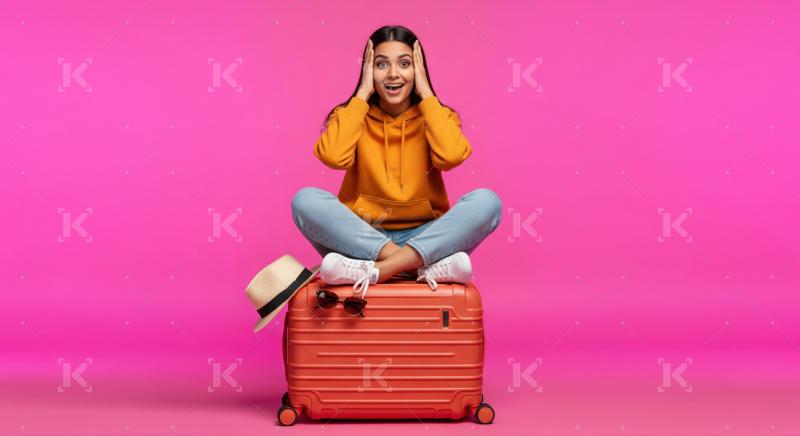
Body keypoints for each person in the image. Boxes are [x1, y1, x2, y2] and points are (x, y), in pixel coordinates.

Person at [291, 25, 501, 296]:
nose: (393, 74)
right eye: (381, 64)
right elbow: (333, 157)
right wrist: (361, 95)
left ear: (419, 69)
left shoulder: (438, 115)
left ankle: (379, 270)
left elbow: (451, 156)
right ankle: (415, 266)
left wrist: (427, 95)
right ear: (368, 70)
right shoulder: (350, 114)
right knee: (305, 200)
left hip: (426, 234)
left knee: (487, 202)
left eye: (405, 63)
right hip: (361, 237)